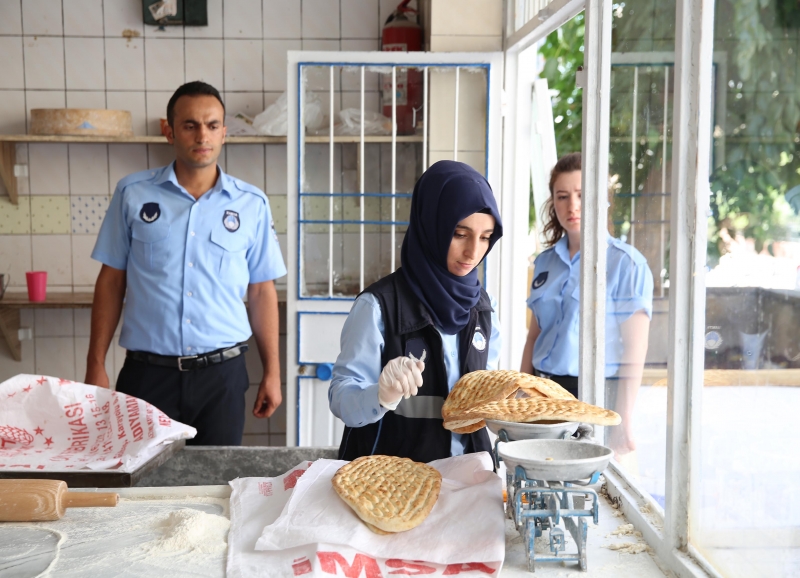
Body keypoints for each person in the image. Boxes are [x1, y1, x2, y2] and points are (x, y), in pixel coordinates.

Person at [85, 81, 286, 445]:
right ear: (170, 131)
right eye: (190, 125)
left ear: (224, 133)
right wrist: (95, 363)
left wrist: (272, 371)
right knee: (140, 490)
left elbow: (260, 291)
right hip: (147, 376)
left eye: (211, 125)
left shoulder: (251, 204)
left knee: (215, 488)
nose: (202, 135)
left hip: (222, 377)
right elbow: (111, 281)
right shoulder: (133, 194)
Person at [329, 161, 503, 463]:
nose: (473, 252)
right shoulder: (377, 307)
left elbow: (490, 394)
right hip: (389, 486)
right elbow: (341, 398)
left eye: (485, 237)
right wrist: (380, 396)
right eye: (460, 234)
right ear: (430, 226)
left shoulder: (484, 309)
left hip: (470, 481)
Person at [520, 152, 653, 457]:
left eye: (582, 195)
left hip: (593, 394)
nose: (572, 206)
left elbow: (636, 350)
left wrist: (624, 420)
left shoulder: (626, 264)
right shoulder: (544, 263)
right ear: (553, 203)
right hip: (542, 392)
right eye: (562, 196)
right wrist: (522, 393)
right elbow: (533, 337)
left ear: (603, 199)